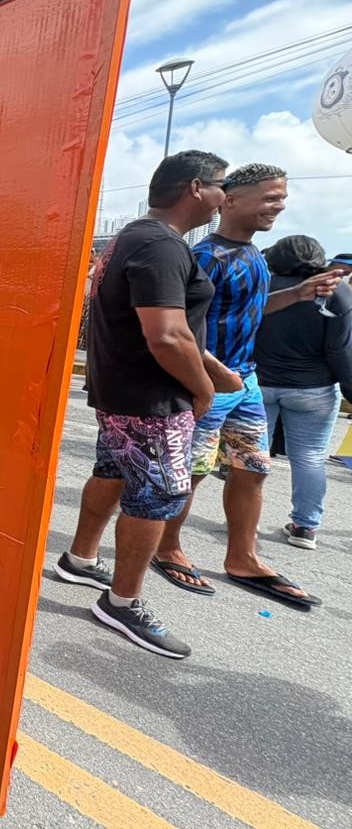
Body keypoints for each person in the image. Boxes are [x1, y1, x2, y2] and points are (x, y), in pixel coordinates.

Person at [53, 150, 234, 658]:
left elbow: (165, 326)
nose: (225, 198)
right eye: (222, 187)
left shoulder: (130, 236)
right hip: (152, 398)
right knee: (157, 495)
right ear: (195, 187)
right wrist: (202, 388)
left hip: (123, 391)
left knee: (112, 471)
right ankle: (122, 602)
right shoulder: (160, 245)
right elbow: (167, 336)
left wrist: (210, 367)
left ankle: (80, 560)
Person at [153, 164, 341, 606]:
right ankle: (167, 546)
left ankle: (243, 556)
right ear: (231, 200)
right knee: (193, 471)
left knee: (252, 468)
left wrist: (296, 294)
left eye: (282, 197)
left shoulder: (256, 256)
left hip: (247, 383)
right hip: (208, 385)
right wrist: (213, 377)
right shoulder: (203, 258)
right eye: (271, 197)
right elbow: (179, 328)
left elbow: (248, 313)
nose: (280, 205)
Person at [254, 236, 352, 550]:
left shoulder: (263, 287)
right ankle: (304, 527)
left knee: (253, 457)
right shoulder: (336, 292)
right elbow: (341, 351)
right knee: (309, 459)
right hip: (314, 389)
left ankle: (244, 521)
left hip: (260, 383)